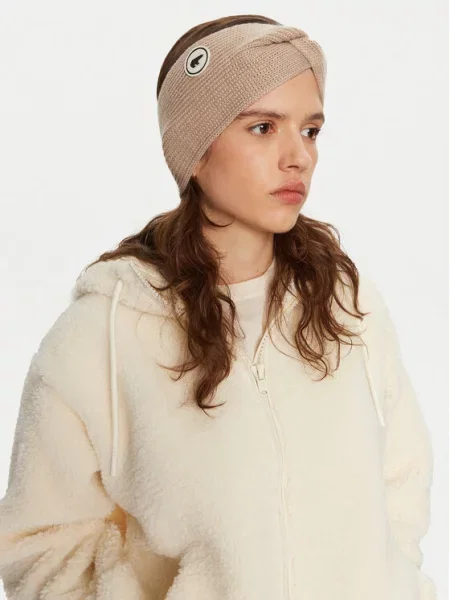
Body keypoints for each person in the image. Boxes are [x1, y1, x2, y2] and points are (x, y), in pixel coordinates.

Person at [0, 14, 436, 600]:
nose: (298, 157)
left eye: (310, 130)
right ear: (196, 151)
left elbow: (402, 481)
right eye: (263, 127)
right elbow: (40, 545)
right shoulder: (102, 333)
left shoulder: (344, 303)